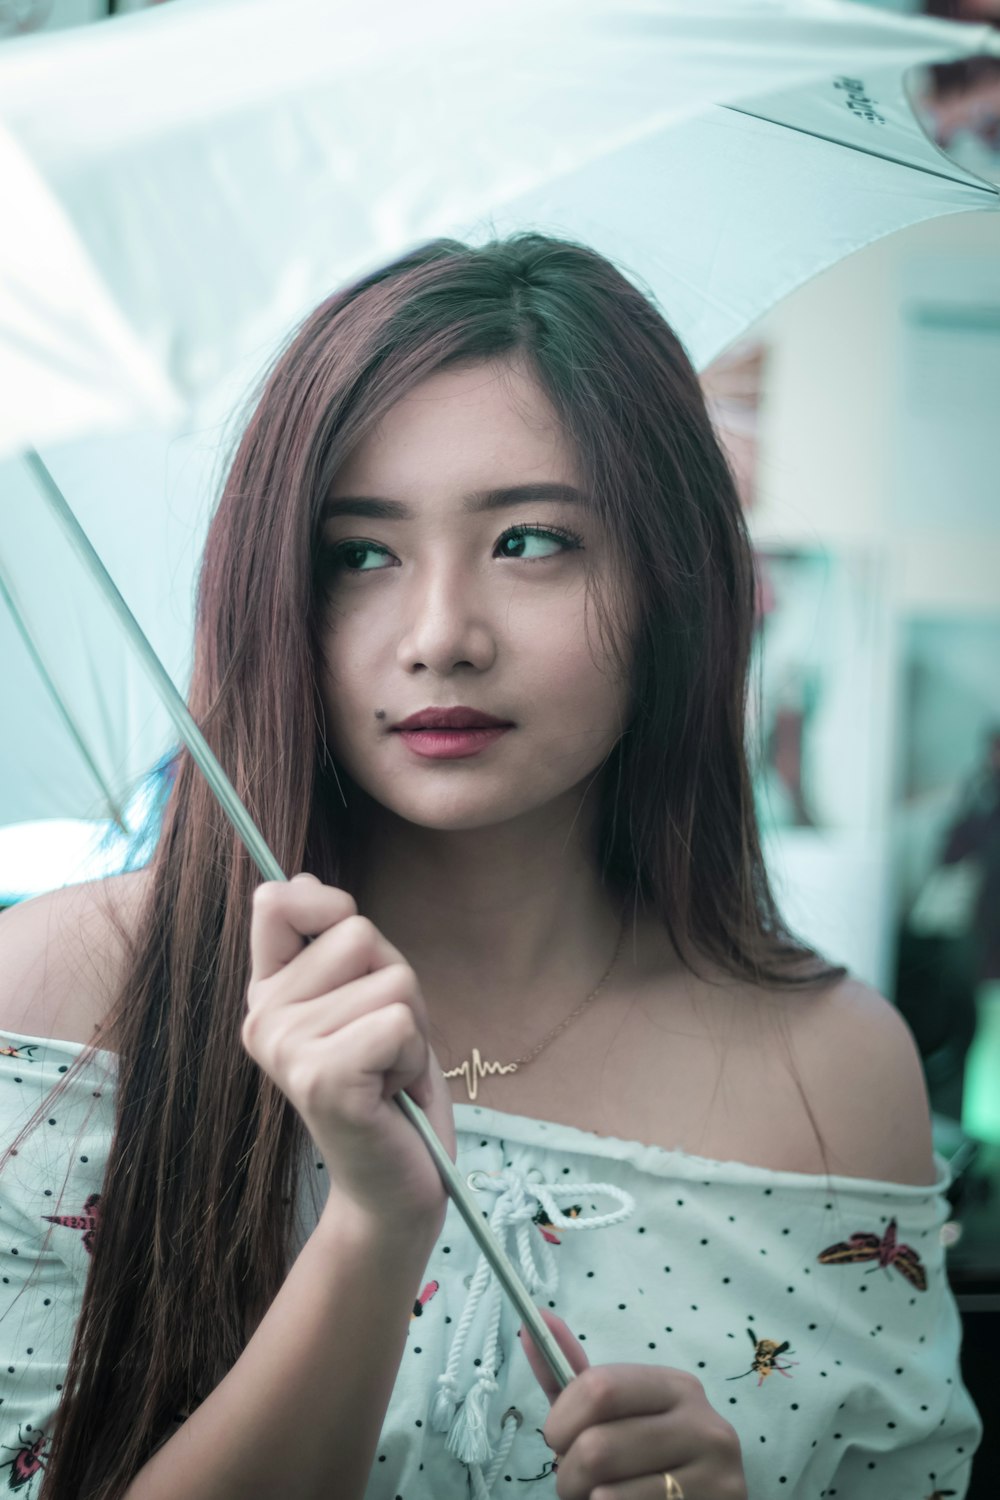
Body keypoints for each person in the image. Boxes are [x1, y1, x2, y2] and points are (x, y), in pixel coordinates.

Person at [0, 233, 981, 1500]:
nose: (440, 637)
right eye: (361, 553)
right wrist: (371, 1229)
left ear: (670, 581)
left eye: (529, 542)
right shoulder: (65, 1000)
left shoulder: (836, 1070)